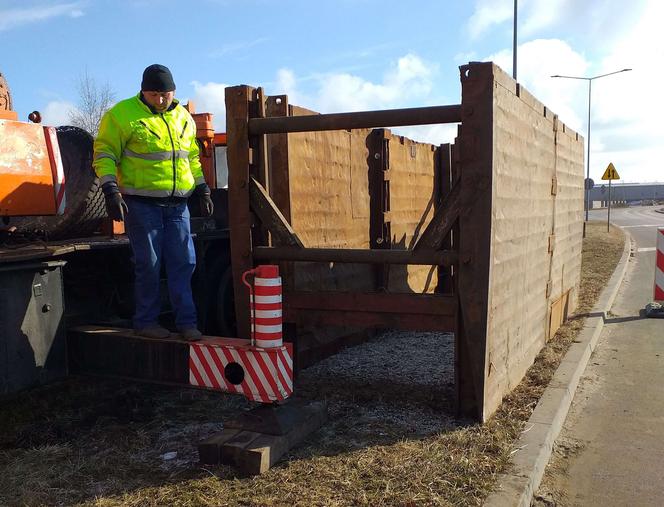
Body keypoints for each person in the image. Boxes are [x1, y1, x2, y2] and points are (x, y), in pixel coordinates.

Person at [93, 64, 213, 341]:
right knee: (149, 263)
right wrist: (110, 189)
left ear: (174, 92)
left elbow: (191, 158)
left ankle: (187, 323)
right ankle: (146, 322)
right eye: (154, 94)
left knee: (184, 262)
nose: (161, 100)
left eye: (166, 94)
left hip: (178, 206)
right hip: (142, 204)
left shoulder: (183, 117)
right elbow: (104, 154)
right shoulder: (122, 115)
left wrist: (202, 188)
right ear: (143, 92)